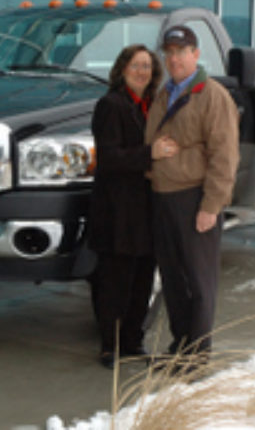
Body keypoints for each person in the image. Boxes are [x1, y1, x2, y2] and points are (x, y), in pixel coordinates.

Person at [145, 25, 239, 365]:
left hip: (193, 199)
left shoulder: (212, 96)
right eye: (168, 53)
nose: (173, 59)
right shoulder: (163, 92)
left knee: (197, 282)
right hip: (163, 197)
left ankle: (196, 356)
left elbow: (225, 156)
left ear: (196, 55)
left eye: (181, 52)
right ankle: (179, 348)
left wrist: (211, 206)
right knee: (173, 280)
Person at [88, 44, 179, 369]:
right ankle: (109, 346)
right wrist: (149, 155)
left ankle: (132, 341)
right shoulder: (110, 105)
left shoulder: (151, 106)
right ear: (122, 69)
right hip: (116, 210)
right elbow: (109, 157)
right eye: (135, 65)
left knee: (143, 279)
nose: (142, 71)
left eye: (148, 66)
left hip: (146, 207)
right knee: (115, 280)